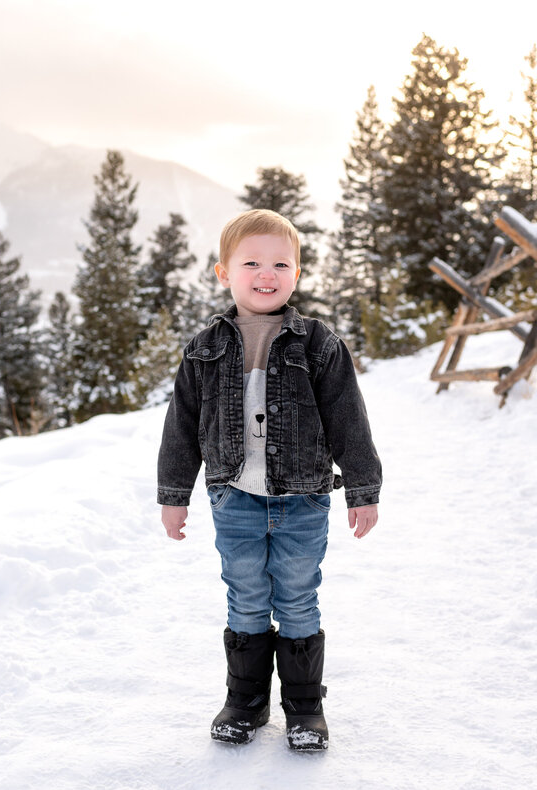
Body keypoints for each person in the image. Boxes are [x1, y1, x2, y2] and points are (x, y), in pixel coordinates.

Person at [157, 208, 381, 750]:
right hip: (233, 496)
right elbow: (182, 426)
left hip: (302, 499)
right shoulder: (204, 349)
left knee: (299, 596)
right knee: (247, 595)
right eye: (252, 262)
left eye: (281, 263)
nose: (267, 273)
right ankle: (246, 701)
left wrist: (362, 488)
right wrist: (174, 496)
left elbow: (349, 417)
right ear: (223, 272)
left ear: (297, 274)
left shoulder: (318, 343)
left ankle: (304, 707)